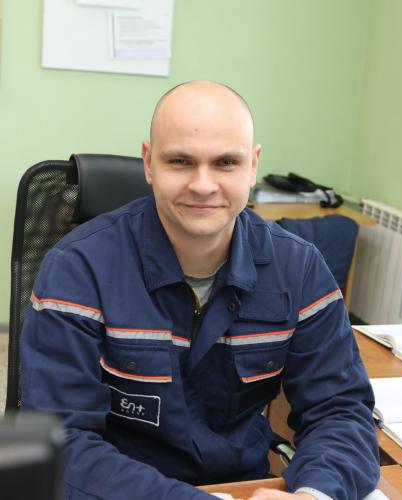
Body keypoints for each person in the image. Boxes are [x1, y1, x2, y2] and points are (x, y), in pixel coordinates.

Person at [20, 80, 380, 499]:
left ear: (252, 166)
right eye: (180, 161)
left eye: (226, 162)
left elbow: (341, 410)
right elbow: (61, 443)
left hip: (242, 484)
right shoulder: (78, 267)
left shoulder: (298, 268)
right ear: (149, 163)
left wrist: (315, 493)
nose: (203, 185)